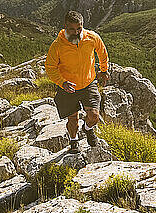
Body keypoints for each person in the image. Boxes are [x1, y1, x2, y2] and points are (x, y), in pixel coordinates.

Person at [44, 10, 110, 153]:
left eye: (79, 28)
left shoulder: (91, 38)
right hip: (68, 87)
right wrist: (62, 82)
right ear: (65, 27)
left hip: (88, 83)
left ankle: (87, 129)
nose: (76, 32)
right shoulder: (58, 45)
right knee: (72, 119)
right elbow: (50, 67)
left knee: (94, 116)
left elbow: (102, 52)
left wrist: (104, 70)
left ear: (82, 26)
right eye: (72, 29)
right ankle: (74, 141)